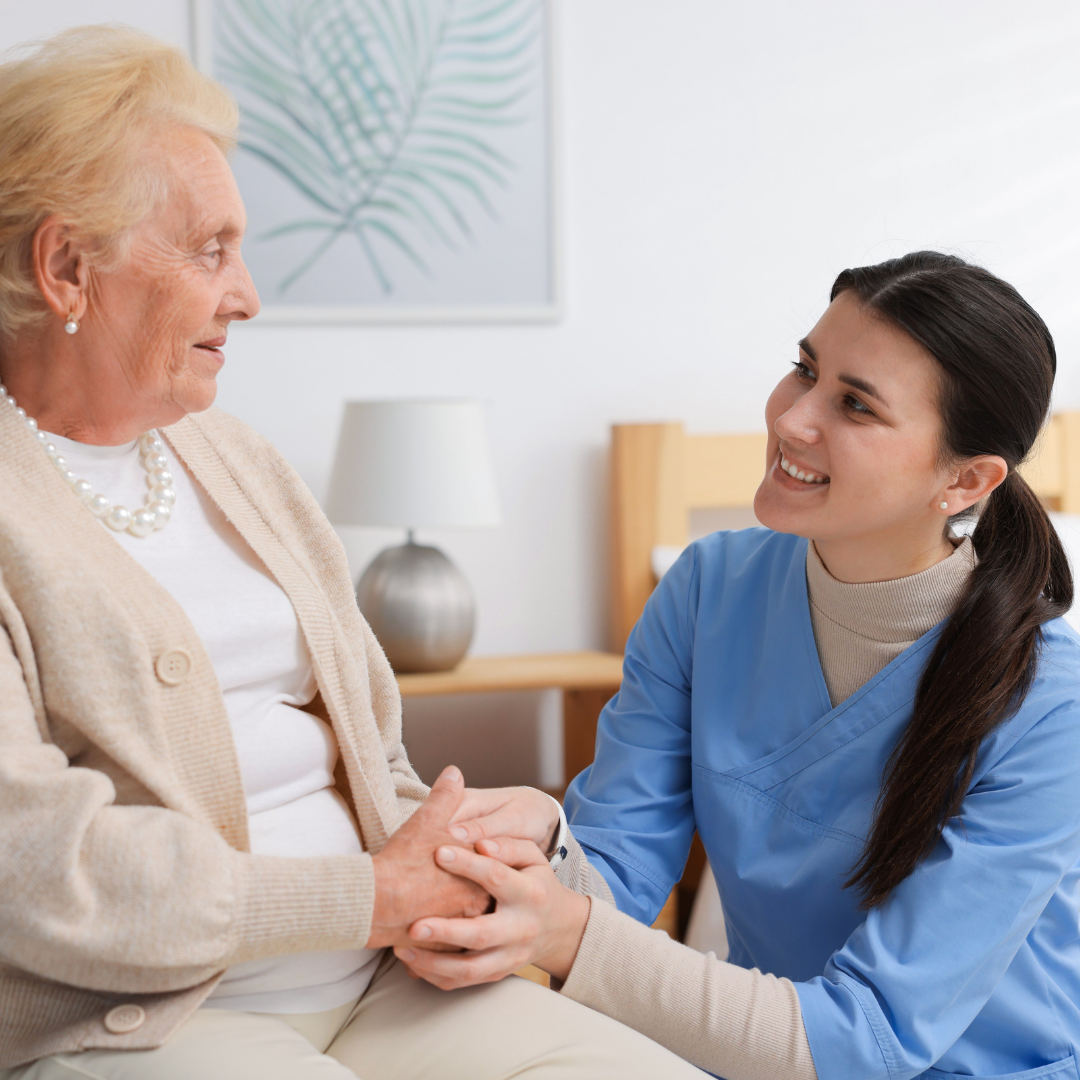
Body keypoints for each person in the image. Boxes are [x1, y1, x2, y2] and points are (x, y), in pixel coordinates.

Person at [0, 26, 705, 1080]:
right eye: (209, 250)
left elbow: (375, 764)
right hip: (151, 1019)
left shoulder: (239, 461)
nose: (246, 294)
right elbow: (35, 866)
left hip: (389, 982)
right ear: (65, 267)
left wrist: (478, 858)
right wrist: (369, 894)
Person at [402, 252, 1080, 1080]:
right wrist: (542, 850)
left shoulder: (1052, 712)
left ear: (966, 480)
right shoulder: (707, 590)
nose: (794, 419)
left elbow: (866, 1041)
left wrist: (567, 932)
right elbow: (616, 865)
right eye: (805, 369)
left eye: (855, 405)